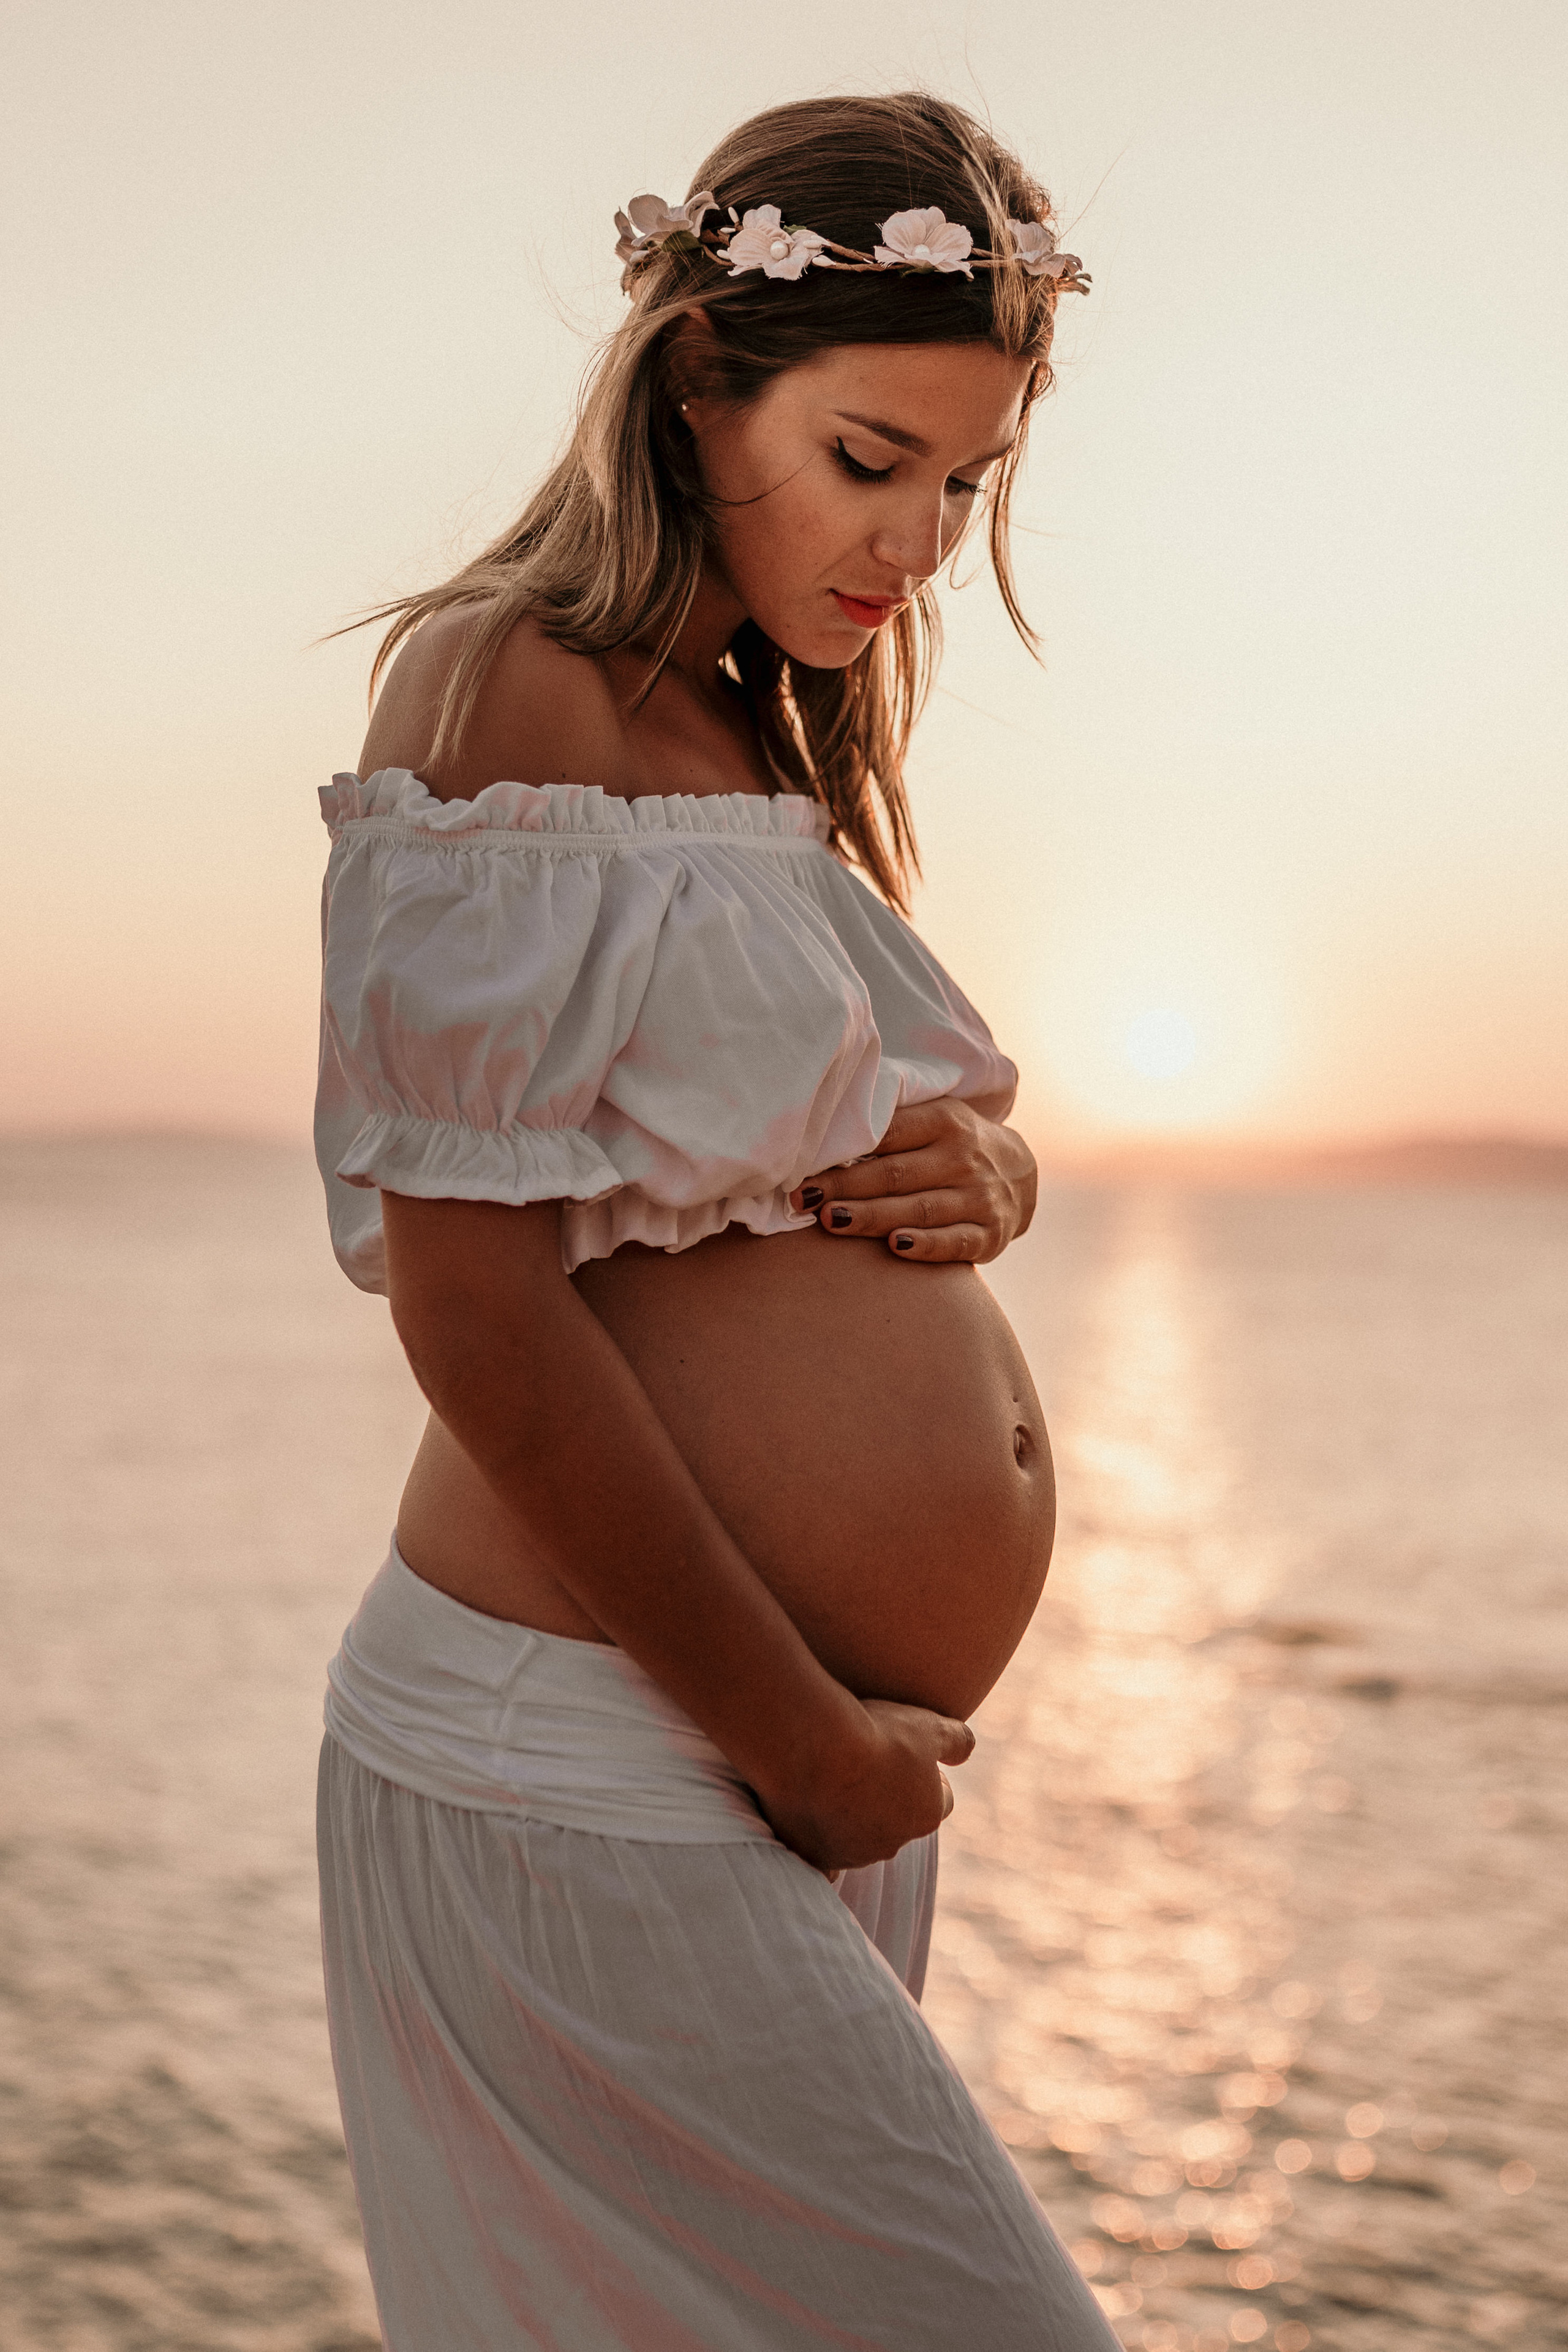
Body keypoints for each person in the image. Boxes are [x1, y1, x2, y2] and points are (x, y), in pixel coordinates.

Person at [313, 88, 1115, 2351]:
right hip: (608, 1742)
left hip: (771, 1748)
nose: (924, 540)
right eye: (874, 461)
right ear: (694, 381)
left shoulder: (750, 730)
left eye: (968, 482)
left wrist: (1000, 1173)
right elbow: (479, 1312)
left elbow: (777, 1168)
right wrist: (801, 1743)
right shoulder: (506, 690)